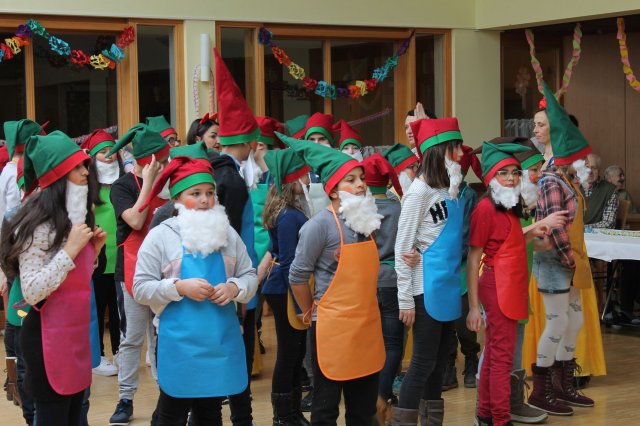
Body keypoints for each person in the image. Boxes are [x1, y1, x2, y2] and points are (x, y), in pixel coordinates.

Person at [133, 156, 257, 425]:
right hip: (179, 346)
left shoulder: (228, 235)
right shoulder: (161, 236)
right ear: (177, 198)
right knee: (172, 414)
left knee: (210, 413)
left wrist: (234, 288)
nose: (205, 200)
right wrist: (178, 287)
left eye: (210, 193)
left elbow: (249, 275)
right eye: (196, 193)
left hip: (220, 342)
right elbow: (140, 288)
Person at [0, 130, 106, 425]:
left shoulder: (76, 217)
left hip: (75, 333)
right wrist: (71, 250)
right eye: (77, 167)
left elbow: (72, 282)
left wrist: (93, 253)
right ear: (57, 175)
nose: (86, 172)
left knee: (75, 415)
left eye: (85, 165)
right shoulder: (38, 225)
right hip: (47, 339)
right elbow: (33, 290)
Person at [282, 133, 385, 426]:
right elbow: (297, 275)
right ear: (334, 190)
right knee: (326, 411)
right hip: (332, 330)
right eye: (351, 180)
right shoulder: (319, 226)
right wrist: (309, 311)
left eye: (361, 178)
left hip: (366, 325)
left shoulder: (365, 222)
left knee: (363, 411)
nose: (361, 184)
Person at [467, 142, 548, 426]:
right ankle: (501, 419)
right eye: (504, 173)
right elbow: (473, 258)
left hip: (510, 285)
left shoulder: (510, 206)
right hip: (497, 287)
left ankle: (486, 414)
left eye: (515, 172)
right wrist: (473, 308)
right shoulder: (485, 209)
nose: (512, 178)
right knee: (502, 359)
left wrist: (533, 232)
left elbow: (509, 244)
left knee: (494, 355)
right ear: (491, 176)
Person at [526, 82, 595, 416]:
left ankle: (562, 384)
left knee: (574, 321)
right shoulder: (551, 178)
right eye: (535, 124)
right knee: (557, 323)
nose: (535, 130)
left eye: (540, 124)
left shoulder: (564, 175)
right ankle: (541, 391)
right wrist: (571, 260)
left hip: (569, 260)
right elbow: (555, 228)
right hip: (557, 260)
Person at [393, 117, 466, 426]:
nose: (460, 155)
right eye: (454, 149)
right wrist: (405, 299)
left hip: (448, 285)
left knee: (439, 362)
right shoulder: (418, 192)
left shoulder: (449, 189)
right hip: (424, 290)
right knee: (422, 362)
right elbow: (402, 248)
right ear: (438, 152)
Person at [107, 123, 170, 425]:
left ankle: (168, 396)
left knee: (162, 336)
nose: (167, 165)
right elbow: (135, 220)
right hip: (130, 271)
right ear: (149, 161)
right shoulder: (122, 187)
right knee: (132, 337)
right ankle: (125, 399)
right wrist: (148, 183)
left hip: (165, 271)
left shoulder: (171, 183)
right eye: (162, 161)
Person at [261, 148, 311, 426]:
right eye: (304, 175)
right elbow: (291, 261)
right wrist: (302, 304)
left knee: (295, 351)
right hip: (285, 290)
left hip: (282, 286)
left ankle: (292, 412)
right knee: (290, 352)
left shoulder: (285, 210)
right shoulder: (289, 215)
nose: (308, 179)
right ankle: (283, 416)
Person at [361, 153, 405, 425]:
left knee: (369, 342)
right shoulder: (398, 208)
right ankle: (382, 394)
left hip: (366, 282)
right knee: (393, 343)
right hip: (392, 280)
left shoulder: (358, 209)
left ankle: (368, 397)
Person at [80, 129, 122, 377]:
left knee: (118, 309)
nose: (109, 156)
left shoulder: (124, 183)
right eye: (103, 152)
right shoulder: (86, 187)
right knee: (97, 307)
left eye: (112, 151)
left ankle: (119, 350)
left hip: (120, 254)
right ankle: (98, 355)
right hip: (96, 255)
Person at [442, 145, 482, 392]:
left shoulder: (468, 195)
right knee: (444, 319)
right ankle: (448, 364)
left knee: (463, 319)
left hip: (462, 264)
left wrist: (455, 255)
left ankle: (470, 357)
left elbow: (468, 230)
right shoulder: (437, 192)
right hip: (440, 264)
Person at [583, 153, 618, 229]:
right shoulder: (573, 187)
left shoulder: (610, 190)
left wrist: (583, 228)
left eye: (594, 168)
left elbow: (608, 223)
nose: (590, 171)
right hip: (573, 234)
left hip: (597, 235)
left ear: (599, 170)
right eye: (586, 167)